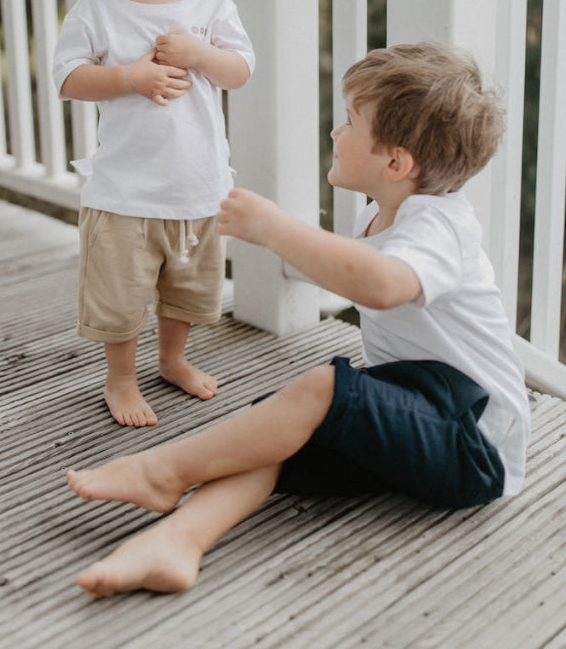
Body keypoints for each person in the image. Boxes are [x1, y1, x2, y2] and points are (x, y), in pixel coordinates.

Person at [65, 41, 531, 596]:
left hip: (473, 442)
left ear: (396, 162)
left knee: (324, 388)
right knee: (276, 432)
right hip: (422, 405)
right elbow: (353, 269)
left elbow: (382, 284)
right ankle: (178, 541)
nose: (336, 132)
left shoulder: (439, 227)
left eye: (350, 122)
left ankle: (163, 471)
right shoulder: (381, 212)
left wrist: (273, 227)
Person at [52, 0, 255, 427]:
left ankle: (172, 358)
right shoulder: (97, 7)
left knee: (187, 290)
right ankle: (120, 377)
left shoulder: (210, 5)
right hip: (123, 192)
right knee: (119, 297)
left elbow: (240, 71)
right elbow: (69, 78)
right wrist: (130, 79)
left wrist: (197, 53)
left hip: (196, 187)